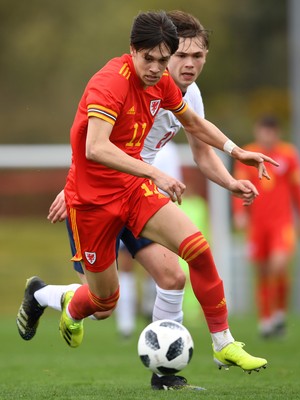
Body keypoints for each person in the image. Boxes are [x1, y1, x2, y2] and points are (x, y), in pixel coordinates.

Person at [16, 10, 278, 390]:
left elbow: (193, 125)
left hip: (135, 191)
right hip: (92, 203)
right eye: (151, 59)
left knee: (193, 254)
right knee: (105, 303)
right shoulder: (109, 84)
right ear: (133, 51)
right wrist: (153, 173)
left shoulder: (166, 86)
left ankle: (216, 347)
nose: (158, 68)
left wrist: (237, 153)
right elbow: (95, 147)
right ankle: (45, 296)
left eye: (164, 59)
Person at [232, 115, 300, 338]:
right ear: (257, 131)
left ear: (277, 133)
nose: (267, 135)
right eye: (263, 130)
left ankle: (279, 314)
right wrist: (240, 213)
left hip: (282, 222)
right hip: (258, 224)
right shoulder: (247, 154)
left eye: (271, 131)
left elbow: (298, 190)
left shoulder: (288, 154)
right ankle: (266, 319)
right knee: (263, 270)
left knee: (279, 264)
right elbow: (239, 188)